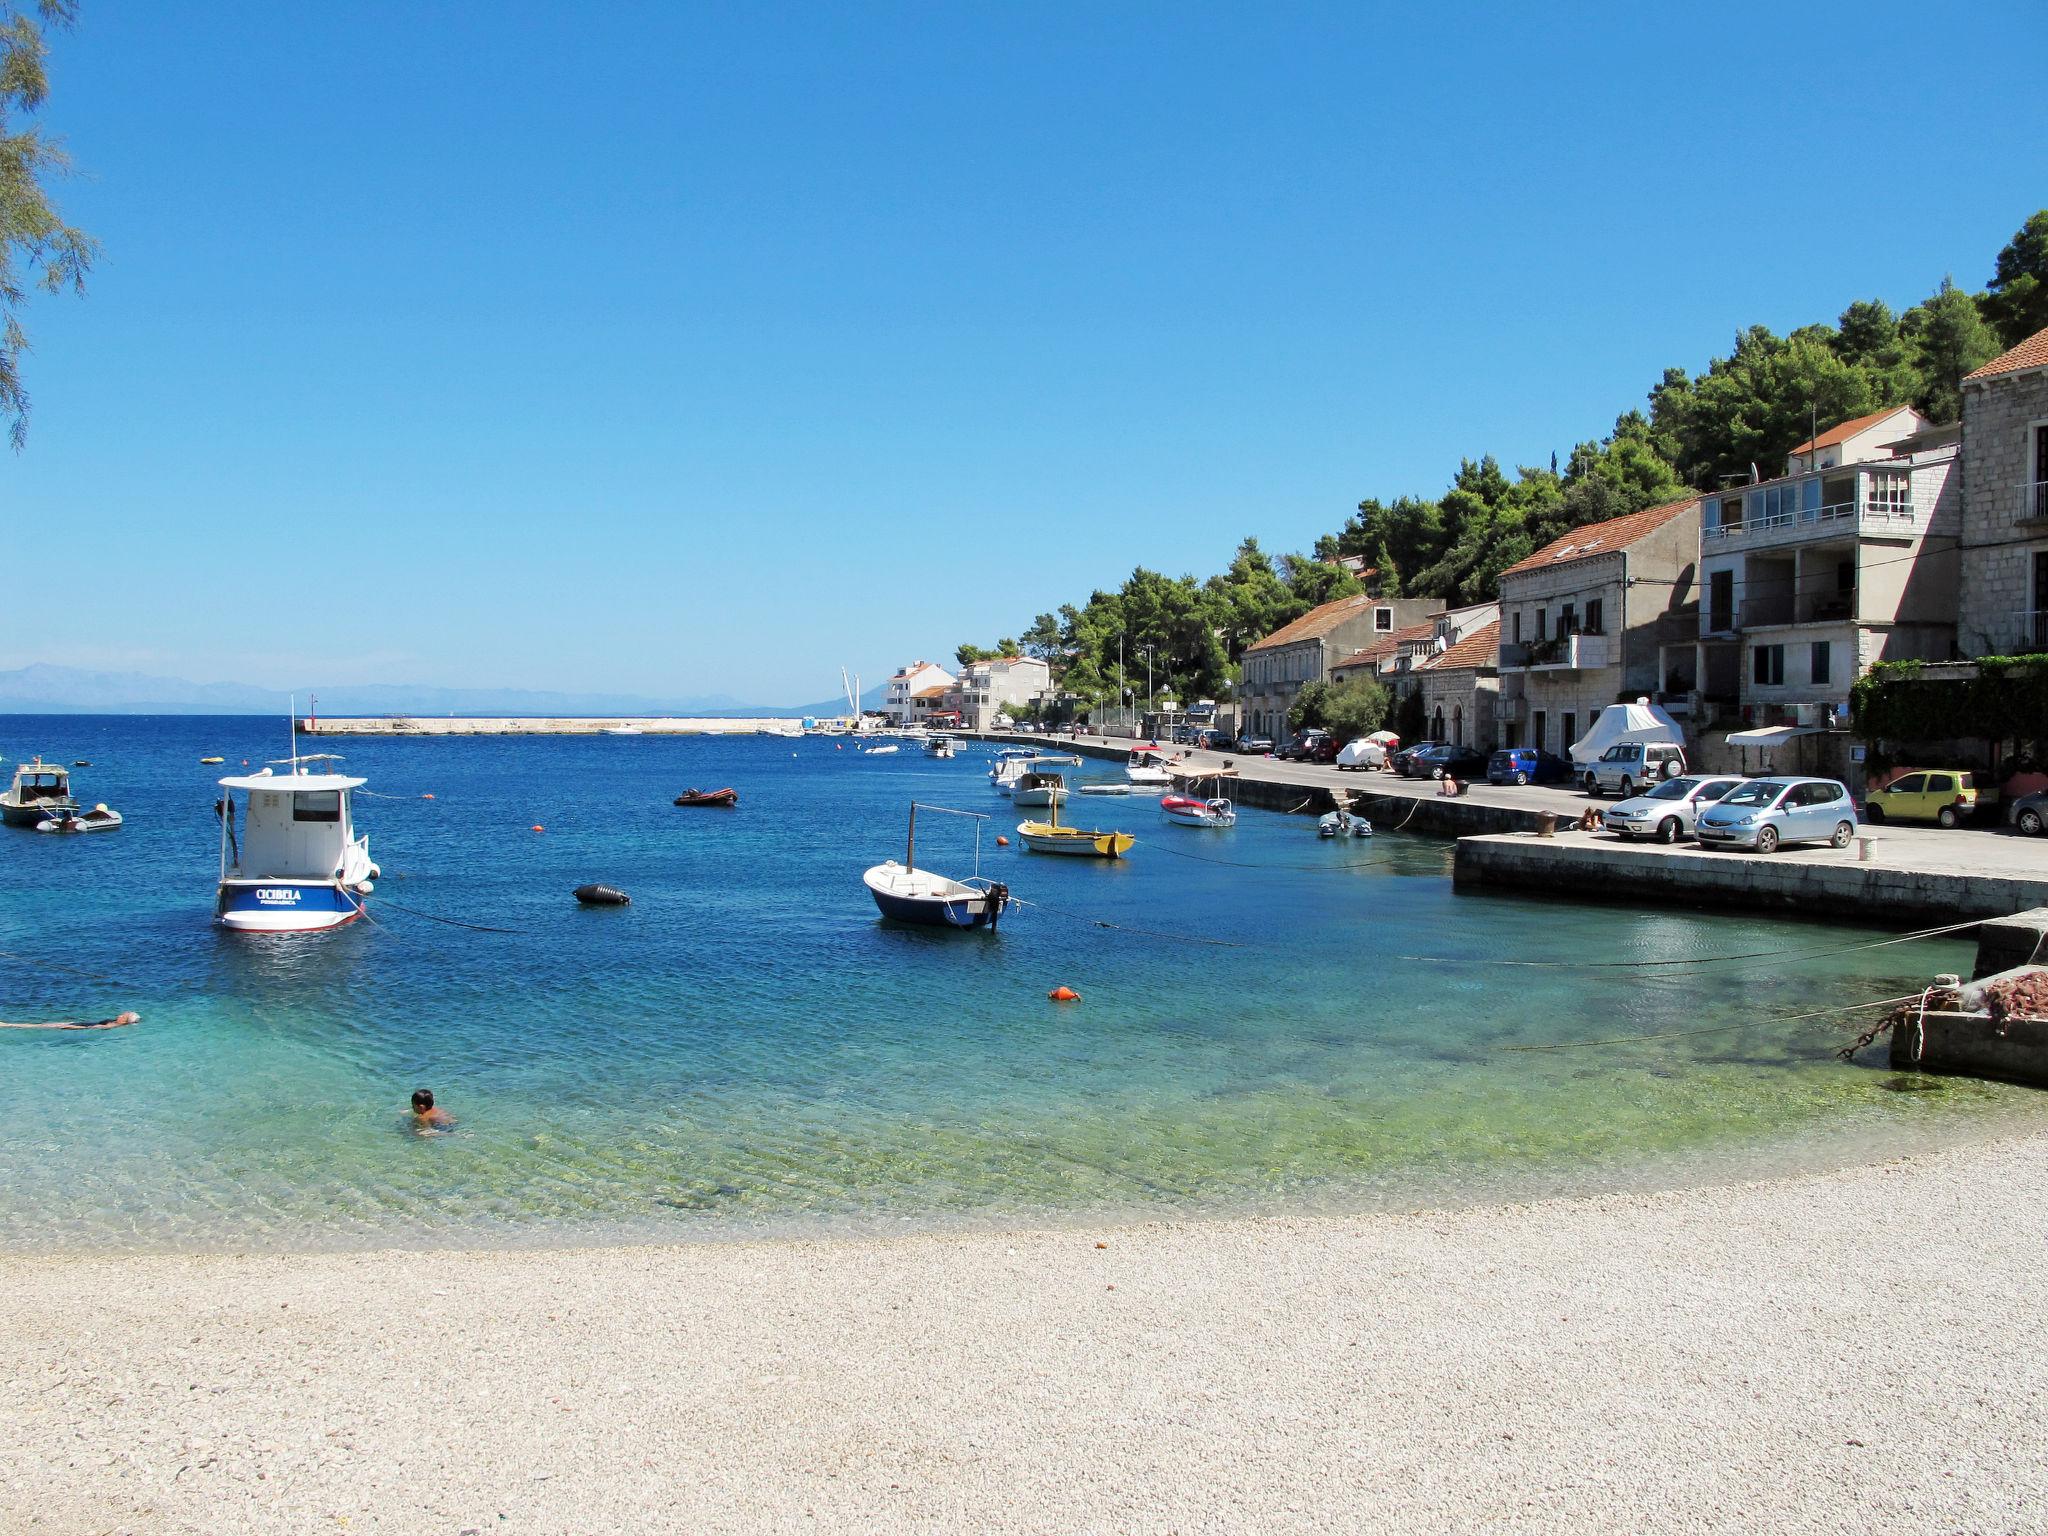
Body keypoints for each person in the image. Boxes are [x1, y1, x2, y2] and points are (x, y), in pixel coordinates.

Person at [0, 1011, 141, 1030]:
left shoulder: (112, 1025)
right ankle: (6, 1024)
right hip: (77, 1023)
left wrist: (68, 1027)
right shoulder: (113, 1022)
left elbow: (90, 1028)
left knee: (40, 1026)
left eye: (124, 1014)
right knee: (42, 1024)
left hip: (74, 1026)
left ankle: (6, 1025)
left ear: (125, 1020)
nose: (121, 1014)